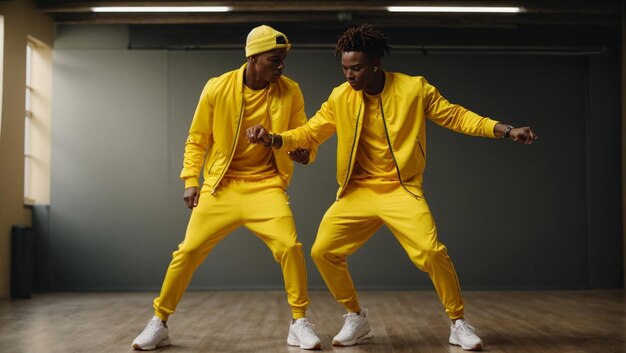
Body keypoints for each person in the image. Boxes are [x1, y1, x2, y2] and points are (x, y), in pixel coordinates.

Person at [246, 24, 538, 351]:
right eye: (344, 68)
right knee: (322, 251)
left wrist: (505, 129)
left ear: (375, 64)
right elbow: (310, 132)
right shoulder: (340, 97)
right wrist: (275, 139)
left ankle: (458, 323)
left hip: (401, 190)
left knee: (431, 252)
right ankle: (356, 317)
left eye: (355, 68)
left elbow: (456, 116)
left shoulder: (414, 89)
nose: (348, 75)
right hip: (357, 192)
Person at [131, 25, 321, 351]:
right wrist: (191, 181)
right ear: (253, 58)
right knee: (187, 252)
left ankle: (299, 321)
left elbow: (301, 136)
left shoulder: (290, 91)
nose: (281, 66)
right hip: (222, 187)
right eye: (275, 60)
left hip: (266, 187)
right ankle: (159, 322)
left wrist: (303, 153)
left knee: (290, 248)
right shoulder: (217, 88)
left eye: (283, 60)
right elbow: (197, 140)